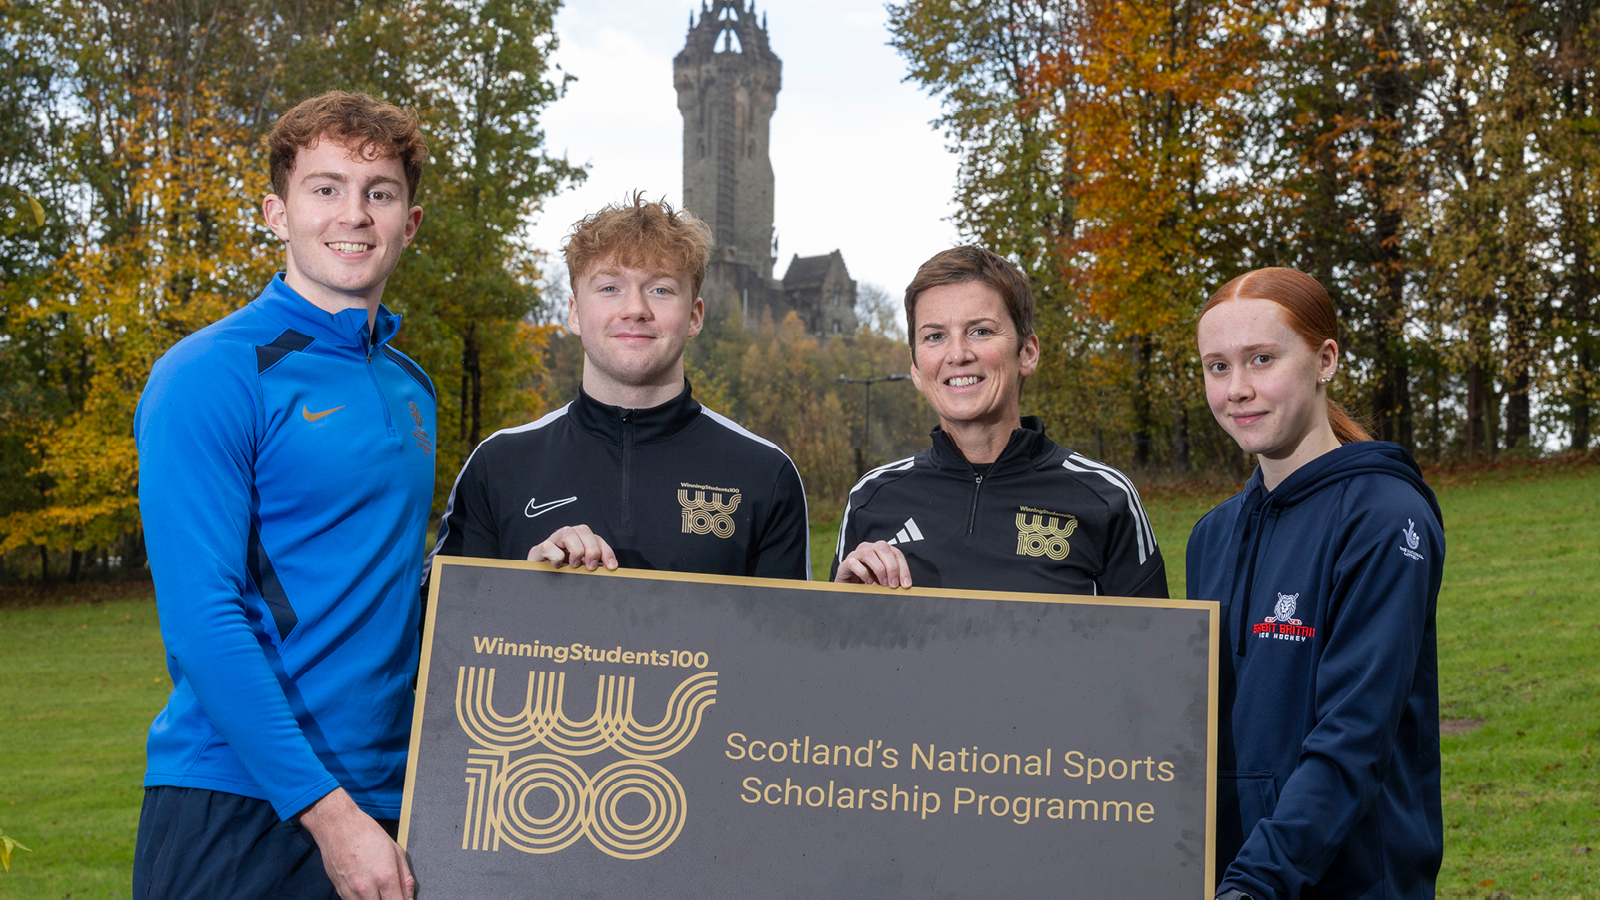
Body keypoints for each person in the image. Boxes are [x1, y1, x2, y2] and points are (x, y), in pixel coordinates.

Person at [132, 91, 434, 900]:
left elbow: (397, 584)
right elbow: (203, 619)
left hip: (387, 800)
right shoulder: (209, 374)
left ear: (409, 222)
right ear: (277, 213)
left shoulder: (411, 388)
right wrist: (329, 817)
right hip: (238, 800)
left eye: (379, 192)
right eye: (325, 188)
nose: (355, 215)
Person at [1189, 267, 1444, 900]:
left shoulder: (1385, 518)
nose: (1239, 389)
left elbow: (1354, 734)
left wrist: (1255, 884)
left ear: (1324, 359)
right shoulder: (1210, 536)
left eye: (1262, 359)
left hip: (1347, 883)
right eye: (1217, 367)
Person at [430, 194, 809, 579]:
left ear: (694, 317)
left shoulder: (765, 474)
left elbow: (790, 638)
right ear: (575, 312)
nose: (635, 309)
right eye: (610, 288)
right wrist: (527, 587)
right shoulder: (497, 465)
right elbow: (442, 628)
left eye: (660, 289)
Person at [831, 245, 1167, 597]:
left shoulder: (1105, 497)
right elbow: (828, 647)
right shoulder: (871, 498)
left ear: (1027, 353)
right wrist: (840, 606)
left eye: (981, 331)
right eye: (935, 336)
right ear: (916, 368)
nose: (958, 354)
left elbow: (1156, 647)